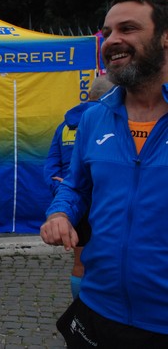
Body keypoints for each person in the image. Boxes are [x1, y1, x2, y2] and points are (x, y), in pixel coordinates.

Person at [40, 0, 168, 347]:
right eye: (107, 32)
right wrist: (60, 213)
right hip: (98, 309)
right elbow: (76, 186)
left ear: (165, 36)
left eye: (127, 28)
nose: (112, 41)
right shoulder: (95, 118)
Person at [43, 75, 114, 299]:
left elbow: (51, 166)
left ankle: (79, 311)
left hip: (74, 206)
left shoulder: (65, 125)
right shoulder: (111, 120)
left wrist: (62, 192)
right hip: (105, 203)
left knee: (79, 262)